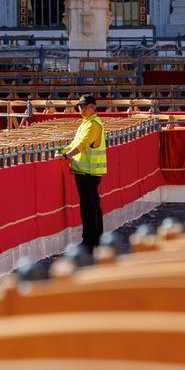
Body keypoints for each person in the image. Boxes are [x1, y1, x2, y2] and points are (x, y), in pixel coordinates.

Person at [60, 94, 107, 252]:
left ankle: (90, 241)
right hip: (85, 171)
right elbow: (75, 143)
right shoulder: (86, 123)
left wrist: (67, 155)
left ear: (93, 107)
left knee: (89, 207)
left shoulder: (93, 124)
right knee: (90, 205)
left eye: (83, 106)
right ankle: (94, 239)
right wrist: (63, 152)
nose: (81, 109)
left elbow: (83, 144)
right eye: (80, 106)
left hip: (89, 172)